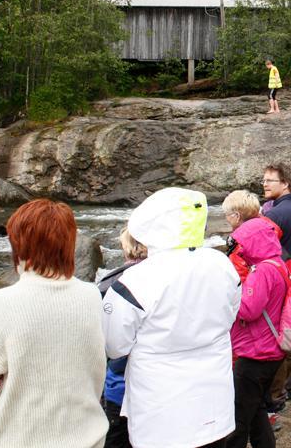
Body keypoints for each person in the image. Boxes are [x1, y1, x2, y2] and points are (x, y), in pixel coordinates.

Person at [102, 188, 241, 448]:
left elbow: (114, 346)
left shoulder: (133, 281)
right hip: (214, 405)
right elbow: (231, 314)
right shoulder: (222, 264)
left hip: (160, 413)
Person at [0, 199, 108, 447]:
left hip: (19, 438)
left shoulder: (1, 301)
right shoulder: (92, 295)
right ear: (69, 244)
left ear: (19, 245)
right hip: (86, 437)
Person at [222, 190, 289, 448]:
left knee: (238, 419)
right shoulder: (277, 263)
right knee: (258, 411)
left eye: (240, 243)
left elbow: (248, 310)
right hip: (271, 349)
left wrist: (230, 295)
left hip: (255, 353)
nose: (238, 247)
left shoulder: (261, 271)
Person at [261, 163, 291, 412]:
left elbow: (259, 249)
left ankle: (276, 398)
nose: (265, 184)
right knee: (290, 335)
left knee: (275, 338)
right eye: (264, 180)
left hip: (278, 280)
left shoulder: (275, 214)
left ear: (285, 184)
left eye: (270, 180)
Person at [98, 228, 148, 448]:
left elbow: (106, 345)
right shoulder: (172, 279)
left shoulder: (110, 284)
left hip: (119, 385)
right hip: (158, 387)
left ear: (125, 247)